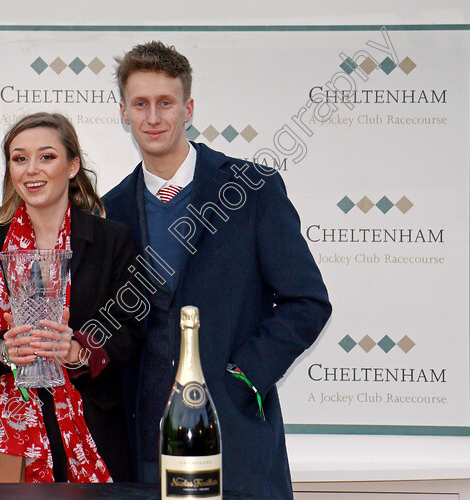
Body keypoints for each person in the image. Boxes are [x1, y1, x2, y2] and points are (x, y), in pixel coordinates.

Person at [103, 41, 332, 499]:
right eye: (141, 104)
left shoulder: (251, 189)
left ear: (188, 108)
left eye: (165, 103)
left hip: (236, 440)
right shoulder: (111, 210)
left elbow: (306, 301)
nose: (153, 117)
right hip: (147, 447)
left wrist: (244, 376)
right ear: (123, 113)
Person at [0, 112, 144, 483]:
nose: (31, 169)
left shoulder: (111, 240)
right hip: (1, 436)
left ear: (73, 166)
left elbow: (132, 333)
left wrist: (79, 351)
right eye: (19, 158)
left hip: (92, 430)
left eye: (46, 156)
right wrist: (1, 350)